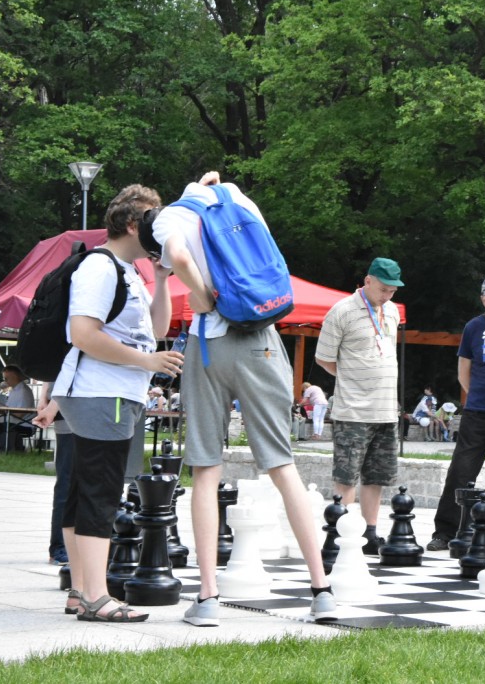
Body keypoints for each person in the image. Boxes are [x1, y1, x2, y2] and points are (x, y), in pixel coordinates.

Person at [153, 171, 336, 625]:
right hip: (260, 340)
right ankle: (321, 591)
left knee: (206, 468)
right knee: (282, 465)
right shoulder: (241, 201)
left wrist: (204, 298)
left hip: (210, 346)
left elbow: (179, 256)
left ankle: (208, 597)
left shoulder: (172, 215)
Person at [33, 183, 180, 622]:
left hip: (107, 391)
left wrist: (162, 278)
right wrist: (147, 361)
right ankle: (98, 597)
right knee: (102, 491)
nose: (161, 229)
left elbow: (156, 330)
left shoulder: (128, 270)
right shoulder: (100, 268)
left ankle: (81, 591)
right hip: (102, 392)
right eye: (155, 220)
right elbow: (83, 334)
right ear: (134, 224)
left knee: (83, 488)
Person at [316, 257, 403, 555]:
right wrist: (351, 377)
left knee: (377, 476)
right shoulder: (341, 311)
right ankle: (342, 534)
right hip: (353, 410)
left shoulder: (392, 311)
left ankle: (369, 532)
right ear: (368, 281)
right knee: (346, 475)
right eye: (383, 289)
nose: (387, 296)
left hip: (386, 409)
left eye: (392, 291)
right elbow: (324, 358)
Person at [428, 275, 485, 551]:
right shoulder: (474, 327)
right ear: (483, 300)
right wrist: (477, 395)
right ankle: (445, 531)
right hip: (477, 411)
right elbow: (463, 372)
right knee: (461, 471)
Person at [38, 382, 74, 566]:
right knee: (67, 482)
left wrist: (45, 396)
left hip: (97, 408)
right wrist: (46, 398)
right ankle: (60, 546)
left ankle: (66, 546)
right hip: (69, 406)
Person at [0, 365, 35, 451]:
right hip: (14, 421)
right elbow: (9, 408)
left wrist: (1, 408)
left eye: (6, 378)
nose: (4, 381)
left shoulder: (23, 391)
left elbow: (19, 414)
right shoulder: (14, 390)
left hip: (24, 424)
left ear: (14, 376)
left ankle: (10, 449)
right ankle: (9, 448)